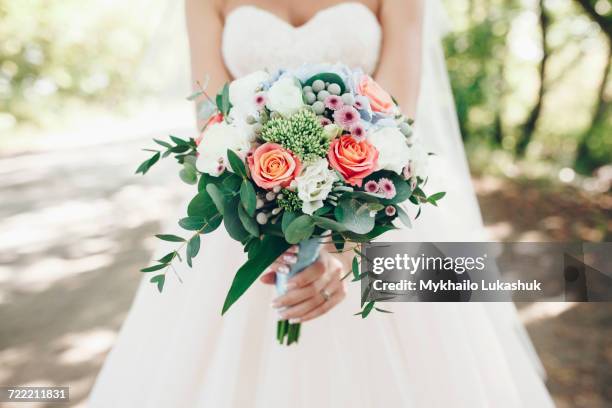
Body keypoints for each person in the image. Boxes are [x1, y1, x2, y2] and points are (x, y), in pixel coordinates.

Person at [89, 1, 555, 406]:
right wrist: (274, 221)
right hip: (250, 210)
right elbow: (211, 115)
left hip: (377, 206)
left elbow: (396, 119)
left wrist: (342, 247)